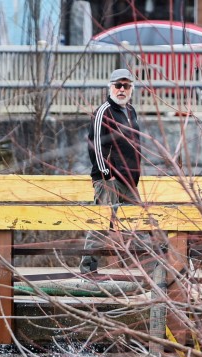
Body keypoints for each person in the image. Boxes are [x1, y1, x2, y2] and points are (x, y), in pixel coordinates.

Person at [80, 68, 142, 275]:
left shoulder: (130, 111)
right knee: (101, 223)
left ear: (131, 88)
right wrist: (106, 174)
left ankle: (152, 271)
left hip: (128, 179)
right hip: (109, 178)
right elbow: (95, 146)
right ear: (111, 87)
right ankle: (88, 270)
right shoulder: (103, 112)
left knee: (137, 222)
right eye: (118, 85)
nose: (122, 89)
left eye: (126, 85)